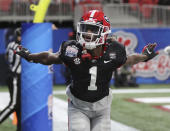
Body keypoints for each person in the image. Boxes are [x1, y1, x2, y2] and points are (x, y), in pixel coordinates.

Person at [15, 10, 158, 131]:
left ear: (104, 32)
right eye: (85, 28)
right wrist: (29, 56)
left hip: (103, 107)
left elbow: (129, 59)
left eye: (93, 29)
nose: (87, 33)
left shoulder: (115, 50)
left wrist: (144, 56)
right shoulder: (72, 48)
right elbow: (50, 57)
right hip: (78, 106)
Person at [0, 28, 22, 131]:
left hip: (11, 75)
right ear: (18, 36)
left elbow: (6, 56)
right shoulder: (19, 47)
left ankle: (20, 128)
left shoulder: (10, 44)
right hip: (15, 77)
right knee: (13, 104)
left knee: (19, 105)